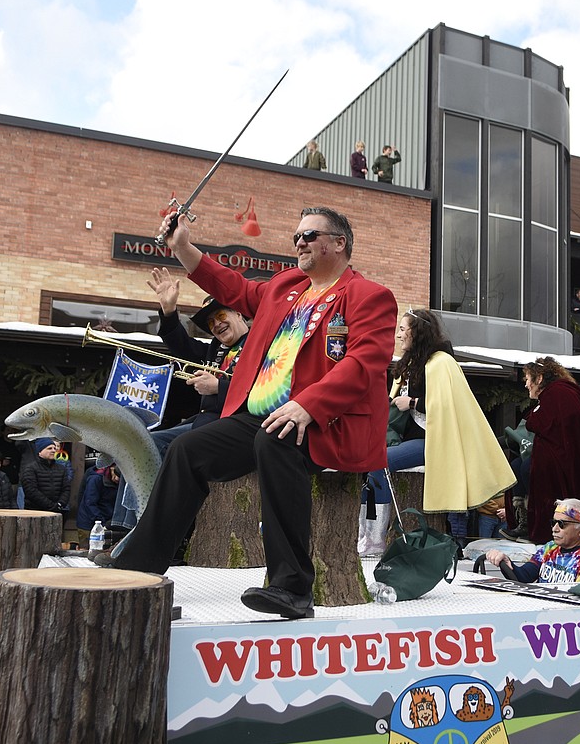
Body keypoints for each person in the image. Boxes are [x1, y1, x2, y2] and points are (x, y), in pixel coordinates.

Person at [104, 205, 397, 621]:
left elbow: (365, 362)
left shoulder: (369, 295)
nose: (299, 242)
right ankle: (136, 570)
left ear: (338, 243)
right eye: (296, 236)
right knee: (187, 450)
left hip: (321, 421)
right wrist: (183, 246)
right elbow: (231, 287)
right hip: (258, 415)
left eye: (309, 236)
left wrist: (308, 404)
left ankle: (291, 588)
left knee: (274, 441)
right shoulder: (286, 286)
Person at [360, 309, 515, 554]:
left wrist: (411, 403)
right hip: (414, 438)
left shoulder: (441, 363)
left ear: (417, 332)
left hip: (436, 441)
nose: (398, 335)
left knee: (379, 463)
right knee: (370, 462)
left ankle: (375, 537)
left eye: (402, 329)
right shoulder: (412, 365)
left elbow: (446, 406)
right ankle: (367, 534)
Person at [110, 269, 251, 533]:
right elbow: (181, 345)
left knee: (172, 449)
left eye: (221, 316)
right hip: (203, 423)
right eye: (211, 323)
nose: (216, 325)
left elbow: (260, 392)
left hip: (233, 428)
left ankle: (156, 531)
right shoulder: (215, 348)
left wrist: (217, 387)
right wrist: (169, 310)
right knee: (141, 440)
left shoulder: (258, 345)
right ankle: (124, 527)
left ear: (239, 313)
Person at [501, 356, 580, 544]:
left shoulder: (558, 393)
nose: (526, 385)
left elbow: (540, 422)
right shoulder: (558, 393)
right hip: (563, 457)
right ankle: (524, 521)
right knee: (517, 466)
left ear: (539, 379)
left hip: (567, 462)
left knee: (527, 469)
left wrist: (533, 418)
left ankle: (536, 525)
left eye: (527, 379)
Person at [484, 499, 580, 583]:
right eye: (553, 522)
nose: (554, 529)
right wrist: (507, 562)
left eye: (561, 524)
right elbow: (525, 576)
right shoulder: (550, 547)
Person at [20, 438, 70, 514]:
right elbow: (31, 491)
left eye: (54, 448)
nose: (53, 450)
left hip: (57, 511)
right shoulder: (30, 468)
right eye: (49, 448)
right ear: (40, 451)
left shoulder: (61, 469)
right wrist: (51, 506)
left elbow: (66, 489)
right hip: (35, 512)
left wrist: (60, 504)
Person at [76, 465, 118, 544]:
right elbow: (90, 503)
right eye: (116, 475)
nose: (117, 479)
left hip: (106, 522)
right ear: (111, 469)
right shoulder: (96, 479)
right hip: (89, 523)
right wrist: (101, 522)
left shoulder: (118, 483)